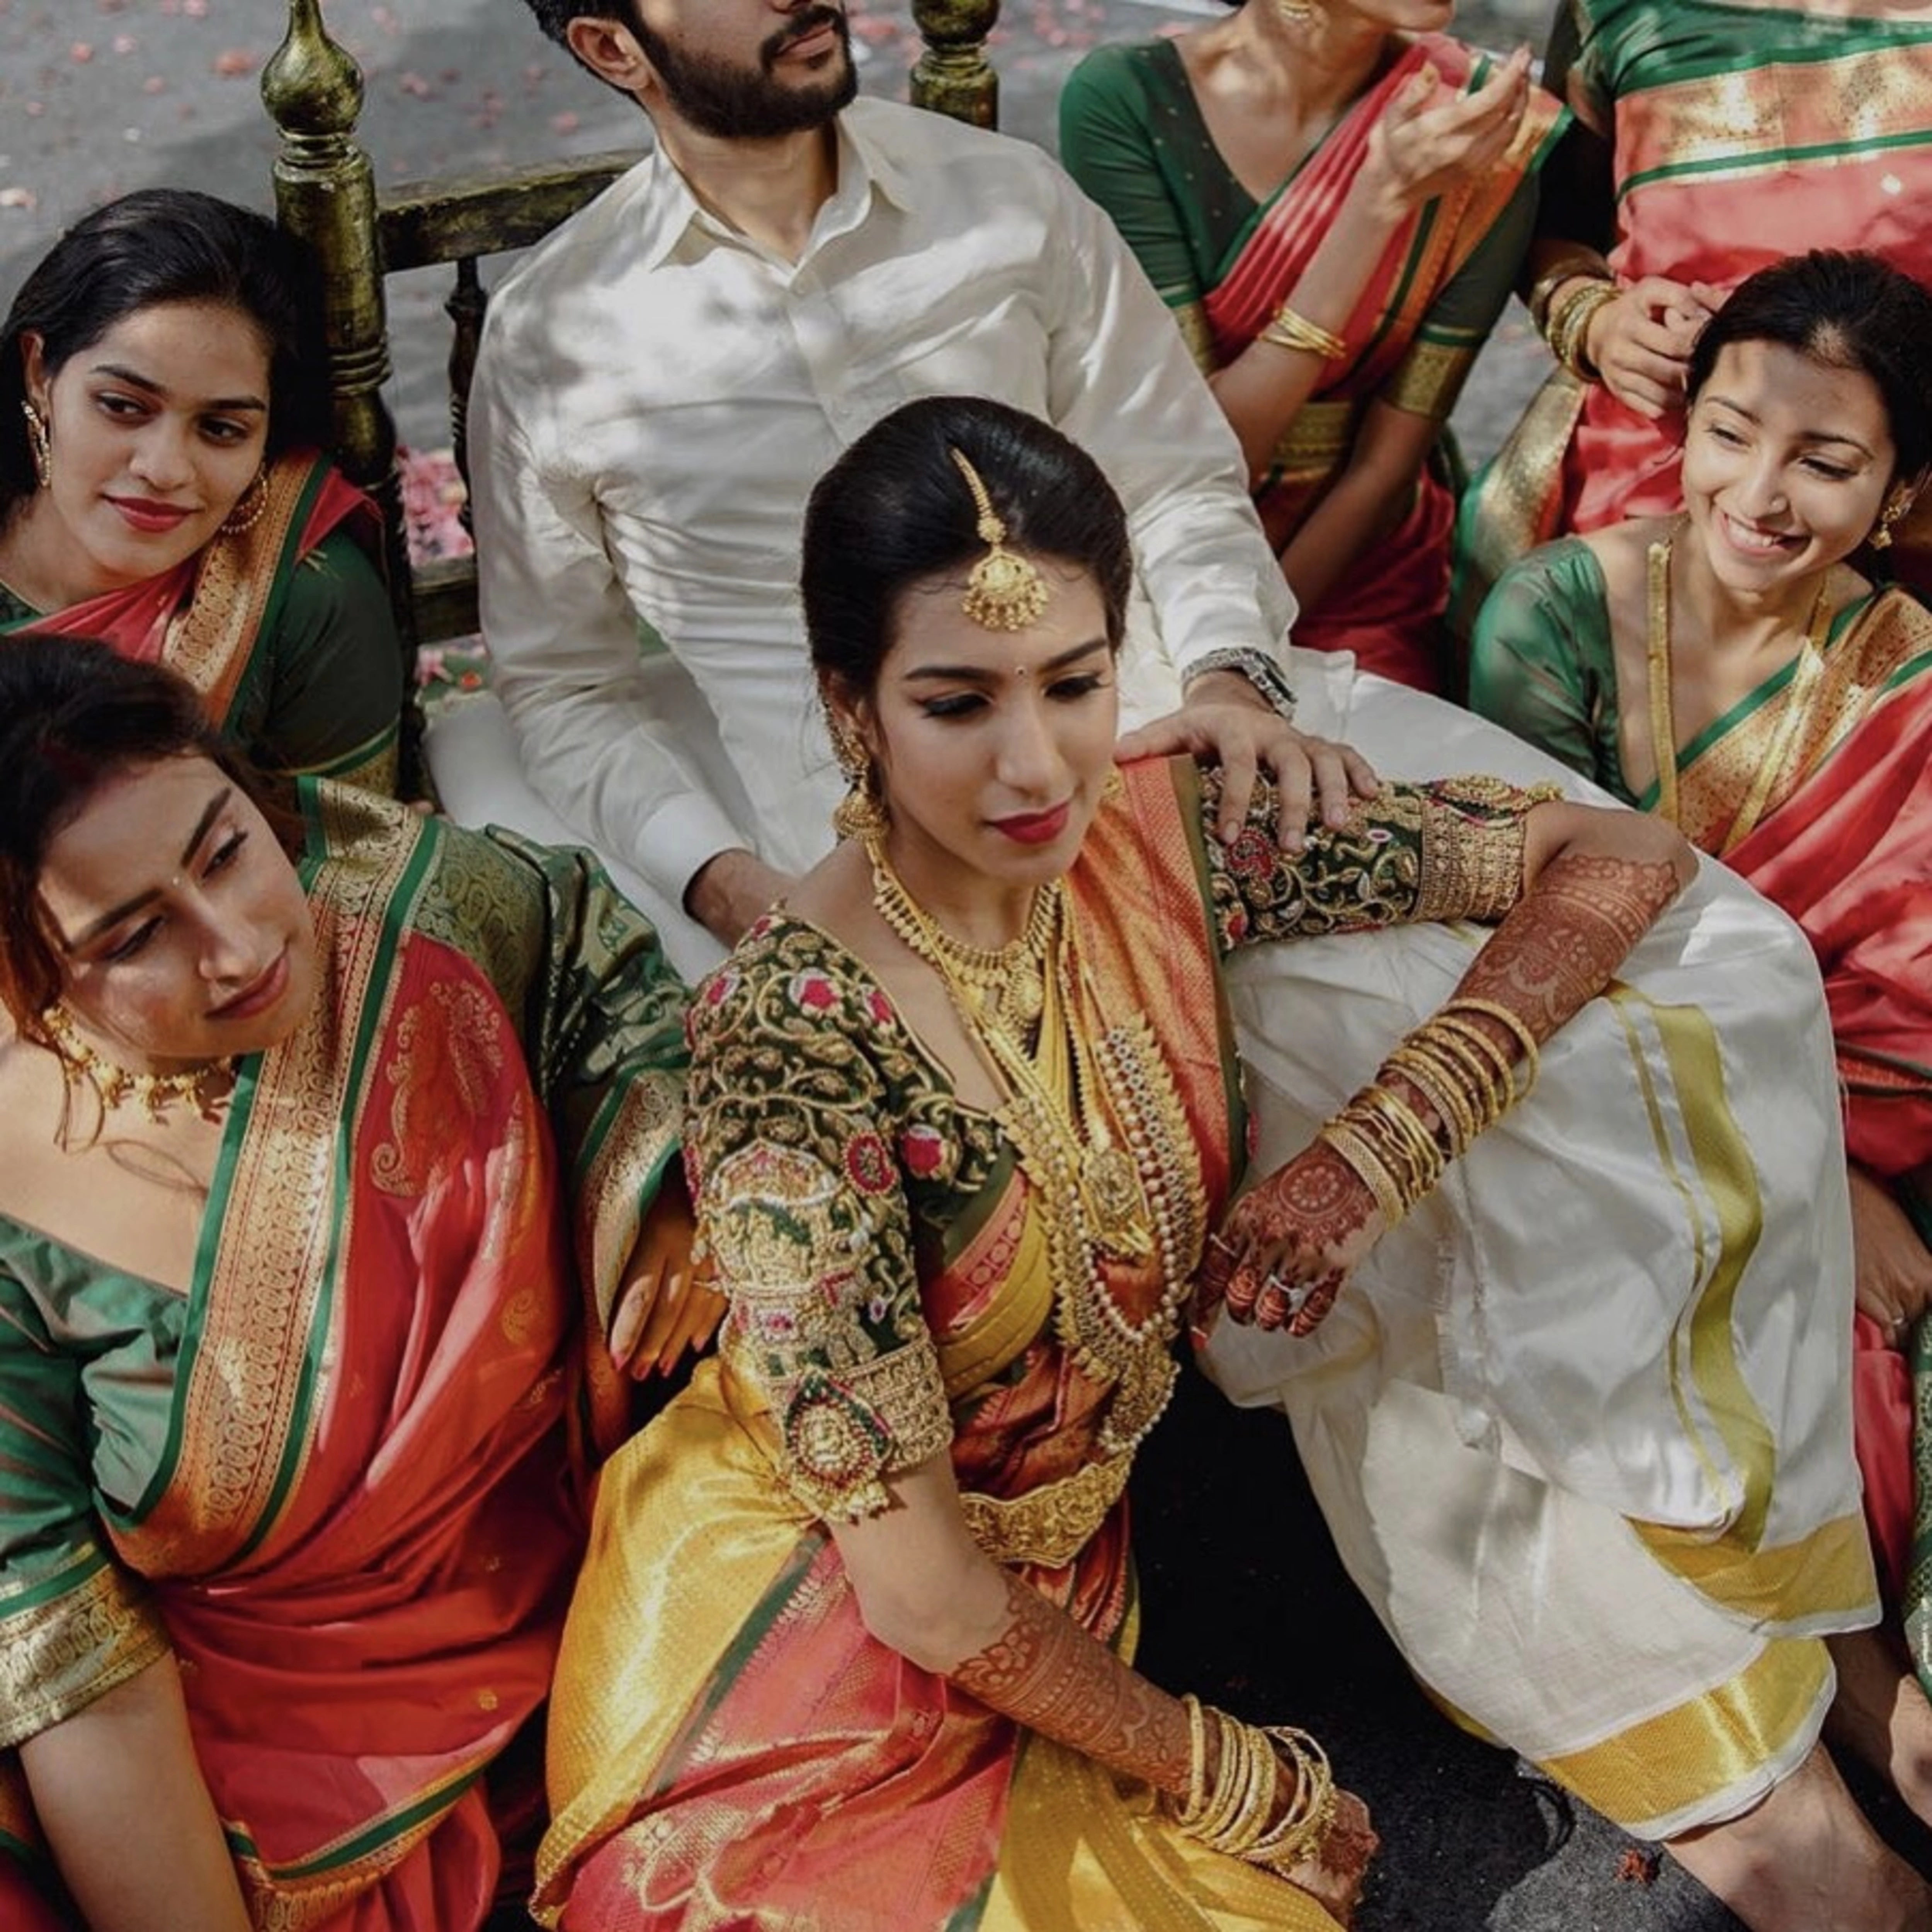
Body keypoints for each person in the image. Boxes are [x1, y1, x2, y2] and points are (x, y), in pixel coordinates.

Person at [531, 395, 1914, 1932]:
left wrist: (1376, 1148)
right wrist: (1220, 1765)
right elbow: (913, 1586)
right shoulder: (793, 1049)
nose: (1028, 764)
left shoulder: (1155, 838)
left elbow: (1620, 857)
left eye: (1071, 682)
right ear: (846, 705)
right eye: (954, 701)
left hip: (1064, 1586)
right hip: (799, 1648)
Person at [0, 639, 708, 1930]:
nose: (235, 947)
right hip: (268, 1793)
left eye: (223, 852)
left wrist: (665, 1195)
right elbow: (71, 1665)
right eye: (134, 937)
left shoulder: (412, 907)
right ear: (29, 986)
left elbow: (596, 963)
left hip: (629, 1599)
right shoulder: (12, 1243)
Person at [472, 0, 1376, 961]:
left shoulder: (1006, 200)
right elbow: (564, 686)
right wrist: (736, 892)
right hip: (879, 880)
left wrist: (1231, 680)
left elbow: (1172, 478)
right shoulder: (557, 339)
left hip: (1174, 756)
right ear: (615, 47)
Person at [1469, 248, 1932, 1860]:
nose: (1759, 489)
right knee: (1771, 1328)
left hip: (1864, 1136)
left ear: (1894, 493)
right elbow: (1527, 951)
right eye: (1730, 430)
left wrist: (1855, 1161)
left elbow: (1903, 979)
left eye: (1823, 461)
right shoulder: (1558, 617)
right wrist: (1820, 1176)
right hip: (1578, 1114)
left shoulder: (1905, 679)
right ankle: (1860, 1694)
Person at [1059, 0, 1561, 692]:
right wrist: (1375, 202)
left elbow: (1387, 466)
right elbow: (1200, 449)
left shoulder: (1477, 122)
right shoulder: (1127, 101)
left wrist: (1259, 651)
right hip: (1164, 551)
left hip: (1365, 563)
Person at [1454, 0, 1932, 626]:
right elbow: (1554, 226)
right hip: (1662, 480)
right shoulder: (1617, 12)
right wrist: (1597, 325)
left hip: (1908, 502)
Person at [0, 189, 404, 793]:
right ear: (40, 374)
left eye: (221, 430)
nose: (164, 469)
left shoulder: (305, 602)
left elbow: (350, 860)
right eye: (122, 407)